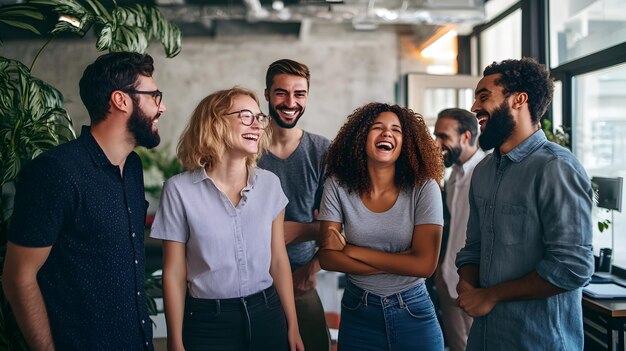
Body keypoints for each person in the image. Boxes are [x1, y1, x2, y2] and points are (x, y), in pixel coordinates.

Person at [2, 52, 164, 350]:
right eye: (154, 95)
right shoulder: (55, 171)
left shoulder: (133, 168)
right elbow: (18, 277)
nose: (161, 106)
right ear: (121, 100)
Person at [149, 87, 304, 351]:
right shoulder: (179, 190)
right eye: (245, 116)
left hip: (267, 314)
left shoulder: (270, 184)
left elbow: (278, 259)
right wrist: (176, 342)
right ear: (215, 123)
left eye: (259, 117)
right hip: (208, 323)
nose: (257, 125)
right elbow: (174, 272)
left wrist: (293, 325)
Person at [455, 57, 594, 350]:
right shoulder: (484, 171)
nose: (473, 108)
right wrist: (468, 281)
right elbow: (474, 248)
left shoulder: (556, 167)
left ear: (519, 100)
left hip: (538, 340)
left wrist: (491, 295)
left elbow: (572, 267)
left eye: (484, 97)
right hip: (485, 338)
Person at [318, 102, 445, 351]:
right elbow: (327, 258)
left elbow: (425, 265)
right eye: (377, 127)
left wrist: (353, 250)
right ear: (361, 137)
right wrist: (402, 261)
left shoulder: (425, 187)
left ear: (406, 142)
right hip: (358, 313)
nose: (387, 133)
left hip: (413, 311)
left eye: (396, 130)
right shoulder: (337, 185)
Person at [257, 59, 331, 350]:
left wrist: (311, 267)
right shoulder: (247, 145)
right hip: (249, 276)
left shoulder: (322, 150)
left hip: (300, 274)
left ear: (307, 97)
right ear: (266, 94)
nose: (290, 102)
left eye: (299, 94)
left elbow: (339, 224)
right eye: (281, 93)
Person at [432, 108, 485, 351]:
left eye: (443, 136)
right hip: (446, 277)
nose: (436, 143)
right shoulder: (453, 175)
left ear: (465, 136)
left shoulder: (485, 172)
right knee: (456, 345)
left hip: (473, 284)